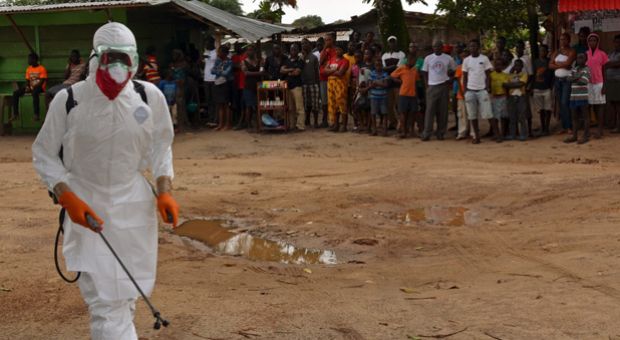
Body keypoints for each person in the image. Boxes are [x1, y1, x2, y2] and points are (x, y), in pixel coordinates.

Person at [32, 22, 178, 340]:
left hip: (134, 208)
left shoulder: (147, 97)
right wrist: (66, 195)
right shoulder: (69, 101)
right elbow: (43, 153)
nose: (117, 67)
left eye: (125, 60)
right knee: (105, 302)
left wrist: (164, 190)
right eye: (111, 58)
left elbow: (160, 145)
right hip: (87, 206)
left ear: (135, 61)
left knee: (126, 294)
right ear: (96, 57)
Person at [421, 40, 456, 141]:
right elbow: (424, 72)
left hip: (444, 86)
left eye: (439, 46)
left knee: (443, 111)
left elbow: (453, 71)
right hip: (432, 86)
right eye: (435, 46)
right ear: (433, 48)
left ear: (442, 47)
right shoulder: (428, 58)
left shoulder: (448, 58)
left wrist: (450, 80)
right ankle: (427, 133)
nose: (437, 48)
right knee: (430, 111)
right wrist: (427, 85)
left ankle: (440, 132)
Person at [462, 39, 497, 144]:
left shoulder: (484, 59)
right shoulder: (466, 60)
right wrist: (465, 90)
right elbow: (465, 76)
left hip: (482, 90)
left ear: (478, 48)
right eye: (471, 46)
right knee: (472, 115)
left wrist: (487, 87)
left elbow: (488, 74)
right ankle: (477, 137)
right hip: (470, 90)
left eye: (475, 46)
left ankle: (497, 135)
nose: (473, 48)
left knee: (488, 114)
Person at [550, 33, 576, 134]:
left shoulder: (572, 51)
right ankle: (565, 126)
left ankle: (570, 126)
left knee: (565, 102)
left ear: (569, 40)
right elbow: (550, 65)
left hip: (567, 80)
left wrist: (556, 64)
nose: (562, 41)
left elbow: (568, 64)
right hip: (557, 80)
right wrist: (562, 65)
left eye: (564, 39)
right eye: (561, 39)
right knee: (561, 104)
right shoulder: (557, 52)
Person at [391, 51, 421, 139]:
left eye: (414, 60)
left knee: (413, 113)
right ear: (407, 60)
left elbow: (416, 81)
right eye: (411, 59)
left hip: (413, 94)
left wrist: (417, 95)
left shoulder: (415, 70)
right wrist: (399, 81)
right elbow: (392, 75)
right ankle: (403, 131)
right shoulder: (402, 68)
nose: (413, 61)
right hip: (403, 93)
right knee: (403, 113)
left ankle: (411, 130)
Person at [564, 53, 591, 144]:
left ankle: (586, 136)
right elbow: (568, 79)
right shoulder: (574, 69)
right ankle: (574, 136)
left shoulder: (587, 69)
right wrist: (577, 77)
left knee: (585, 117)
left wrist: (574, 78)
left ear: (586, 59)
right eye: (578, 58)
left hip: (582, 96)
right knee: (574, 117)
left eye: (582, 58)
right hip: (573, 96)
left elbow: (583, 81)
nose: (580, 59)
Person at [12, 53, 47, 122]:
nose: (28, 60)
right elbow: (27, 80)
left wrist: (32, 87)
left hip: (39, 87)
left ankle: (36, 115)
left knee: (34, 93)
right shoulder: (28, 69)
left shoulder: (42, 68)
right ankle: (16, 114)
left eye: (29, 59)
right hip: (31, 87)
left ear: (34, 60)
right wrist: (28, 87)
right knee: (16, 93)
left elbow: (42, 81)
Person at [586, 33, 609, 138]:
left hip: (599, 82)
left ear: (597, 42)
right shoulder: (586, 54)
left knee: (600, 106)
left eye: (594, 40)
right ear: (588, 42)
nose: (592, 42)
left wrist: (604, 85)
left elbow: (604, 70)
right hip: (589, 83)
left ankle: (600, 130)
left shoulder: (602, 54)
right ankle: (592, 130)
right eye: (590, 40)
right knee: (592, 106)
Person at [324, 45, 350, 132]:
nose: (338, 51)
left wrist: (330, 71)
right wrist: (335, 70)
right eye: (336, 49)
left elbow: (341, 73)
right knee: (333, 103)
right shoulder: (331, 59)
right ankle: (335, 124)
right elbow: (325, 71)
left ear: (343, 51)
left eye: (340, 49)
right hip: (331, 84)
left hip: (340, 84)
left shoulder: (345, 61)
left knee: (341, 103)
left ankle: (344, 125)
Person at [382, 36, 406, 128]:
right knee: (389, 104)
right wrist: (393, 67)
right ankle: (393, 122)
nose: (392, 44)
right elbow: (384, 68)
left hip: (397, 81)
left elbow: (399, 68)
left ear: (396, 43)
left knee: (398, 103)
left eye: (393, 42)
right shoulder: (385, 55)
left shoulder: (401, 54)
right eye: (390, 42)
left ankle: (401, 123)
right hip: (388, 81)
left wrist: (390, 69)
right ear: (388, 43)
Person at [281, 43, 305, 131]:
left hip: (297, 86)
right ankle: (291, 125)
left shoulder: (300, 60)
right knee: (290, 108)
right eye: (292, 49)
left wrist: (287, 71)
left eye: (295, 49)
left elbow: (297, 73)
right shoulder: (287, 60)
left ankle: (300, 126)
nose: (293, 51)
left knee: (299, 107)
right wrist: (291, 70)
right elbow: (281, 70)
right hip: (288, 87)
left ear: (298, 51)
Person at [503, 59, 529, 141]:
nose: (517, 67)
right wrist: (515, 84)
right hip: (511, 97)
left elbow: (521, 84)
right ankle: (513, 134)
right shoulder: (510, 75)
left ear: (522, 66)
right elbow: (505, 85)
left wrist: (510, 85)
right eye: (515, 65)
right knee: (512, 117)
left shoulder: (524, 74)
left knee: (521, 116)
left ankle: (523, 134)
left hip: (521, 96)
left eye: (519, 65)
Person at [532, 44, 554, 136]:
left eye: (544, 51)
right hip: (537, 88)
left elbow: (553, 75)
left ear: (547, 52)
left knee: (548, 109)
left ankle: (547, 128)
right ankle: (543, 127)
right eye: (541, 51)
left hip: (547, 88)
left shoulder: (550, 62)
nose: (542, 52)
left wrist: (552, 86)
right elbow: (532, 75)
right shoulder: (535, 62)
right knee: (541, 110)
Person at [241, 45, 263, 131]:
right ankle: (249, 125)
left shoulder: (259, 61)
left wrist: (252, 73)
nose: (250, 52)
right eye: (248, 50)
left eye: (251, 50)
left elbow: (262, 72)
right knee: (249, 106)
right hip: (248, 86)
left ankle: (258, 124)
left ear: (254, 51)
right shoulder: (243, 62)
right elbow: (246, 73)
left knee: (258, 106)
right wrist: (258, 73)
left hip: (258, 86)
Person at [212, 45, 233, 130]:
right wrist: (221, 71)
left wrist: (218, 71)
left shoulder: (229, 62)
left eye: (219, 52)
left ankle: (227, 124)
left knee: (227, 104)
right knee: (220, 104)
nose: (218, 53)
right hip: (218, 83)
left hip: (226, 83)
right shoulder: (218, 60)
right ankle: (221, 124)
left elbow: (226, 73)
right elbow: (212, 71)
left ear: (224, 53)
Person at [353, 49, 374, 133]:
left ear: (372, 55)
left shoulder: (374, 66)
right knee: (356, 107)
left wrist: (367, 88)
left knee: (369, 109)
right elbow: (358, 76)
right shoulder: (361, 65)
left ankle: (368, 126)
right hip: (360, 89)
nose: (366, 55)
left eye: (368, 54)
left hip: (370, 89)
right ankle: (361, 124)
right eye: (365, 54)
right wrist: (358, 87)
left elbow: (374, 78)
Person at [301, 39, 321, 128]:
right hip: (304, 84)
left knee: (315, 103)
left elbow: (317, 71)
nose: (303, 45)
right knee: (306, 103)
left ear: (309, 45)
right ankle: (307, 119)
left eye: (305, 43)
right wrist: (303, 57)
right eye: (302, 44)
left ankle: (316, 121)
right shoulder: (300, 57)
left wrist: (318, 84)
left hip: (313, 83)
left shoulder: (314, 57)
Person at [367, 57, 389, 136]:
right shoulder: (371, 73)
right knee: (373, 113)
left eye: (380, 65)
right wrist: (380, 83)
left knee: (384, 113)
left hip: (383, 96)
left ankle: (385, 130)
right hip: (374, 96)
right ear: (375, 65)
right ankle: (374, 129)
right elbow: (370, 85)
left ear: (382, 65)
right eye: (377, 65)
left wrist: (376, 83)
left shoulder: (385, 74)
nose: (378, 66)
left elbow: (386, 85)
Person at [319, 33, 337, 128]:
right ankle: (325, 120)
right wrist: (324, 49)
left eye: (329, 40)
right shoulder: (324, 51)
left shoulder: (336, 51)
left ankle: (334, 121)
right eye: (325, 40)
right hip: (323, 79)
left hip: (333, 78)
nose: (327, 42)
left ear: (333, 40)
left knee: (333, 100)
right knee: (324, 101)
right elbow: (321, 62)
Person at [490, 58, 511, 138]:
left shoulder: (505, 75)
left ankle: (503, 133)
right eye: (496, 65)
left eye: (500, 65)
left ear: (502, 66)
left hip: (503, 97)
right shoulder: (491, 75)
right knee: (495, 117)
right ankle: (496, 133)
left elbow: (507, 87)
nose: (498, 66)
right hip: (494, 97)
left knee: (503, 116)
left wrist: (508, 97)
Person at [454, 49, 470, 140]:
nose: (465, 58)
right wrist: (462, 92)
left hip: (471, 92)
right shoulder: (459, 67)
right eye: (463, 57)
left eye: (466, 56)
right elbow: (459, 81)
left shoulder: (472, 66)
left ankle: (472, 132)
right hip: (461, 94)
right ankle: (462, 132)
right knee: (462, 114)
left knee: (471, 113)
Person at [606, 35, 620, 133]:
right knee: (612, 104)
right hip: (610, 81)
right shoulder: (611, 53)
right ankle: (613, 123)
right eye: (615, 42)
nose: (617, 44)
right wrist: (611, 64)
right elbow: (606, 63)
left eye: (618, 42)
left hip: (618, 80)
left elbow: (617, 64)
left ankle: (618, 126)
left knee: (618, 104)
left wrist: (610, 64)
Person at [231, 43, 247, 129]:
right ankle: (238, 120)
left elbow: (240, 67)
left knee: (243, 103)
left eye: (238, 47)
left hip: (243, 83)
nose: (237, 48)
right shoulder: (234, 57)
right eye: (235, 47)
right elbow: (233, 66)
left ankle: (243, 121)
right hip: (236, 83)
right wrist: (238, 66)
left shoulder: (244, 56)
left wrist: (238, 66)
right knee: (236, 103)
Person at [203, 37, 217, 124]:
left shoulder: (216, 53)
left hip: (214, 79)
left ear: (212, 43)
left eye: (207, 43)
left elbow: (211, 59)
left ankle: (215, 119)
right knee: (208, 100)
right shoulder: (206, 52)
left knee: (214, 100)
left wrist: (206, 56)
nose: (206, 45)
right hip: (206, 79)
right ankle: (210, 118)